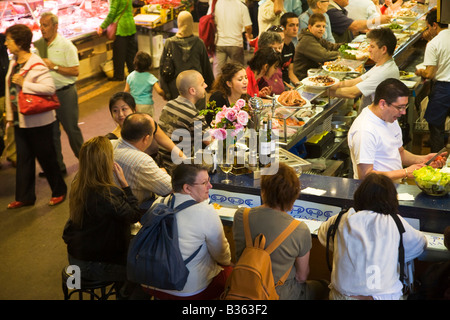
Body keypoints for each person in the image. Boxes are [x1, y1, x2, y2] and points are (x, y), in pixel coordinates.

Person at [318, 173, 427, 300]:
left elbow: (323, 235)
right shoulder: (394, 221)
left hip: (342, 296)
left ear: (359, 196)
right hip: (385, 296)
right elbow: (420, 243)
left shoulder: (342, 218)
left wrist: (347, 248)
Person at [233, 162, 329, 300]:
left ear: (263, 190)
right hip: (280, 295)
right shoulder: (300, 229)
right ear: (293, 197)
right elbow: (302, 277)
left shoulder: (241, 215)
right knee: (324, 286)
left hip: (243, 289)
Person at [62, 136, 143, 297]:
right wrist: (125, 185)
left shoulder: (78, 185)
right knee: (143, 274)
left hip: (76, 259)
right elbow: (134, 215)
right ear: (107, 163)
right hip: (94, 266)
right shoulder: (107, 194)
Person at [142, 163, 232, 300]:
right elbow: (222, 255)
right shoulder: (205, 212)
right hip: (186, 290)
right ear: (187, 188)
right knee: (231, 273)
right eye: (204, 183)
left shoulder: (158, 203)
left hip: (150, 281)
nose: (210, 186)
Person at [4, 24, 67, 209]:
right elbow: (10, 89)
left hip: (39, 121)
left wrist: (25, 84)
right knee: (24, 158)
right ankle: (25, 196)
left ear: (19, 42)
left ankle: (59, 190)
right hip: (20, 119)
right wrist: (9, 114)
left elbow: (49, 88)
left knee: (46, 156)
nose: (6, 43)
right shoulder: (14, 61)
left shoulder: (36, 63)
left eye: (9, 40)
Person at [347, 78, 447, 181]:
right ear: (382, 104)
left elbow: (399, 152)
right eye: (400, 107)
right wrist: (405, 172)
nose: (403, 112)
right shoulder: (365, 130)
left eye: (405, 106)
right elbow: (365, 176)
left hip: (394, 187)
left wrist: (423, 159)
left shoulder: (390, 117)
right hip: (375, 193)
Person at [35, 12, 84, 177]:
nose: (42, 29)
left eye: (46, 25)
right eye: (41, 25)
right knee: (52, 133)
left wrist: (54, 66)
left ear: (55, 26)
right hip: (47, 95)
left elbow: (75, 71)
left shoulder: (66, 45)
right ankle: (58, 167)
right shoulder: (38, 46)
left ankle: (86, 164)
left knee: (72, 130)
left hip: (65, 94)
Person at [329, 27, 399, 111]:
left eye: (372, 47)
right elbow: (354, 81)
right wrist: (330, 85)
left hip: (377, 122)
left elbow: (352, 93)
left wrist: (326, 92)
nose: (369, 50)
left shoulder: (384, 72)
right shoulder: (381, 65)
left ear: (383, 49)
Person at [112, 113, 172, 207]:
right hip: (134, 211)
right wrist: (163, 173)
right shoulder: (141, 161)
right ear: (146, 138)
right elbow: (170, 188)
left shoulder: (110, 145)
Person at [105, 92, 185, 161]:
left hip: (160, 168)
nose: (120, 114)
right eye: (115, 110)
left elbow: (170, 146)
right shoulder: (113, 139)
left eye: (124, 109)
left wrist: (186, 160)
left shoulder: (148, 123)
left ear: (134, 109)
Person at [158, 70, 211, 171]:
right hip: (180, 168)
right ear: (192, 91)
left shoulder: (169, 105)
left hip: (162, 162)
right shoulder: (194, 114)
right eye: (202, 84)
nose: (206, 85)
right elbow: (211, 142)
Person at [159, 11, 213, 110]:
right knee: (198, 117)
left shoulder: (169, 43)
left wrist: (165, 91)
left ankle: (181, 126)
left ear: (179, 23)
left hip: (177, 89)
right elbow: (206, 67)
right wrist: (210, 87)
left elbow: (163, 68)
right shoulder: (199, 43)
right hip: (196, 88)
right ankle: (197, 126)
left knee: (179, 116)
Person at [415, 8, 450, 153]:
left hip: (443, 89)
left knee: (436, 126)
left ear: (434, 25)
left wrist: (419, 71)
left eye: (429, 27)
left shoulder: (434, 43)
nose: (428, 30)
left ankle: (438, 161)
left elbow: (429, 73)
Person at [97, 0, 137, 81]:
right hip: (130, 25)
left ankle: (119, 76)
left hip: (121, 27)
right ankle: (134, 74)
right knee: (130, 54)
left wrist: (102, 26)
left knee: (119, 54)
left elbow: (112, 14)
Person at [293, 13, 341, 81]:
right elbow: (324, 56)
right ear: (310, 27)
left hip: (315, 74)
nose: (321, 29)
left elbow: (331, 46)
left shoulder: (316, 37)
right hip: (304, 79)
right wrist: (343, 53)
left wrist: (348, 46)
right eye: (318, 26)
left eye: (323, 26)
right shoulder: (307, 40)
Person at [213, 0, 253, 77]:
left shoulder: (217, 3)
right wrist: (249, 34)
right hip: (236, 44)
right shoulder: (241, 6)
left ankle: (218, 88)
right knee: (237, 72)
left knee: (218, 72)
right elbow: (248, 26)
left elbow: (212, 20)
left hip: (219, 43)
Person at [124, 51, 165, 117]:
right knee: (148, 122)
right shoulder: (150, 77)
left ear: (135, 63)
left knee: (135, 121)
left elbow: (126, 91)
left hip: (134, 105)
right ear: (149, 65)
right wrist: (164, 95)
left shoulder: (130, 76)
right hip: (147, 105)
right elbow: (159, 91)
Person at [257, 30, 285, 95]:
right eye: (274, 49)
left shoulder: (276, 63)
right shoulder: (257, 70)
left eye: (279, 48)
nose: (279, 52)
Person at [280, 12, 302, 87]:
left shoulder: (291, 45)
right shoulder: (278, 47)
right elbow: (274, 78)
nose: (295, 29)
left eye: (297, 25)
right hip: (278, 85)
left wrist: (300, 85)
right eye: (291, 25)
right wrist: (290, 88)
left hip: (287, 84)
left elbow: (290, 72)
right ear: (283, 28)